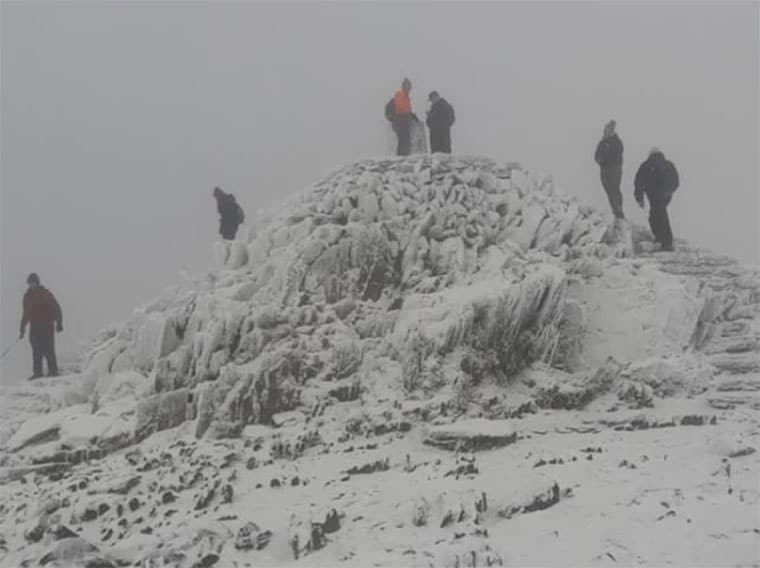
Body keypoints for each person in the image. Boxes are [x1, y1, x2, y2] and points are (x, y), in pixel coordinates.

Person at [634, 148, 680, 252]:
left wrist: (639, 198)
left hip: (653, 195)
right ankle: (664, 241)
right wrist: (670, 191)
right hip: (665, 195)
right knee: (660, 214)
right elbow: (676, 181)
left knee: (656, 216)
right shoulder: (668, 164)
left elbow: (639, 182)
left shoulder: (646, 165)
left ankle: (664, 241)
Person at [19, 273, 63, 379]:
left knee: (49, 350)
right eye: (30, 283)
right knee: (36, 351)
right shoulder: (27, 296)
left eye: (33, 283)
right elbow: (25, 313)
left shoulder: (45, 294)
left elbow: (56, 307)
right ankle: (37, 373)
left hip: (47, 326)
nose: (31, 285)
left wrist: (59, 323)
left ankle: (53, 371)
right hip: (34, 328)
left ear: (37, 283)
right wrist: (22, 328)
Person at [594, 120, 624, 219]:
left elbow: (615, 155)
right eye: (604, 130)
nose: (604, 132)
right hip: (604, 169)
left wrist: (604, 158)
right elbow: (596, 155)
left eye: (606, 130)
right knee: (609, 190)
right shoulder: (603, 142)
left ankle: (619, 211)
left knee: (614, 189)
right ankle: (616, 211)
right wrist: (599, 159)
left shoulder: (616, 142)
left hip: (614, 169)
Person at [385, 78, 416, 156]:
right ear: (403, 86)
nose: (408, 88)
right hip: (400, 120)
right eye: (406, 86)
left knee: (406, 140)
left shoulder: (407, 97)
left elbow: (406, 109)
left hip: (405, 120)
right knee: (403, 140)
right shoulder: (399, 94)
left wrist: (412, 115)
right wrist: (396, 118)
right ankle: (401, 156)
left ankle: (404, 155)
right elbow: (400, 107)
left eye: (409, 86)